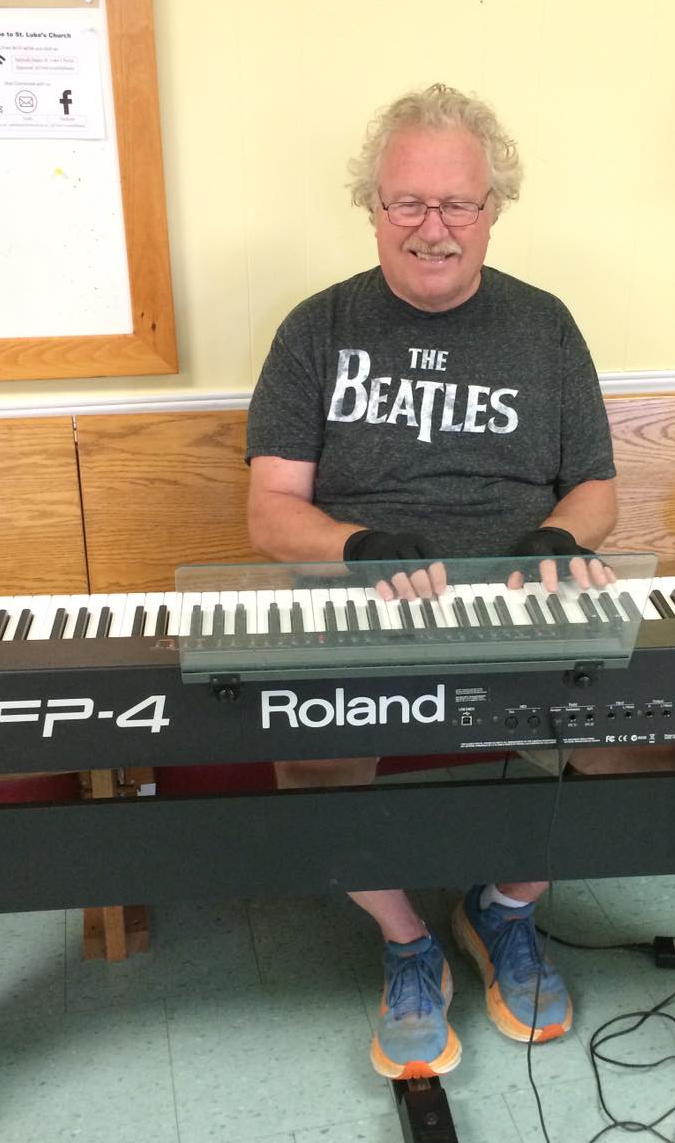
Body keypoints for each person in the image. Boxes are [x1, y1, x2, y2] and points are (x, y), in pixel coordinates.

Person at [245, 82, 623, 1081]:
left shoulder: (545, 328)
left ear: (493, 207)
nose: (433, 228)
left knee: (645, 737)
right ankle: (408, 940)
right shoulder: (315, 330)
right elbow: (271, 508)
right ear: (371, 205)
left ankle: (504, 910)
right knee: (309, 756)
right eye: (407, 202)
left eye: (457, 203)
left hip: (521, 596)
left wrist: (554, 539)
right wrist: (356, 547)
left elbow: (596, 488)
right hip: (362, 596)